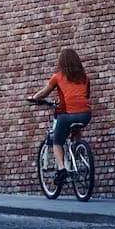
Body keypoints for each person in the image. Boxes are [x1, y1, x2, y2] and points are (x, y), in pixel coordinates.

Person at [29, 47, 91, 186]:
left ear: (61, 62)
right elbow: (86, 95)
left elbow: (44, 93)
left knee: (57, 142)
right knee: (76, 127)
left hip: (67, 115)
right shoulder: (85, 77)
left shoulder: (57, 76)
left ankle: (62, 169)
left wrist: (34, 98)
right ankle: (78, 151)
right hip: (86, 114)